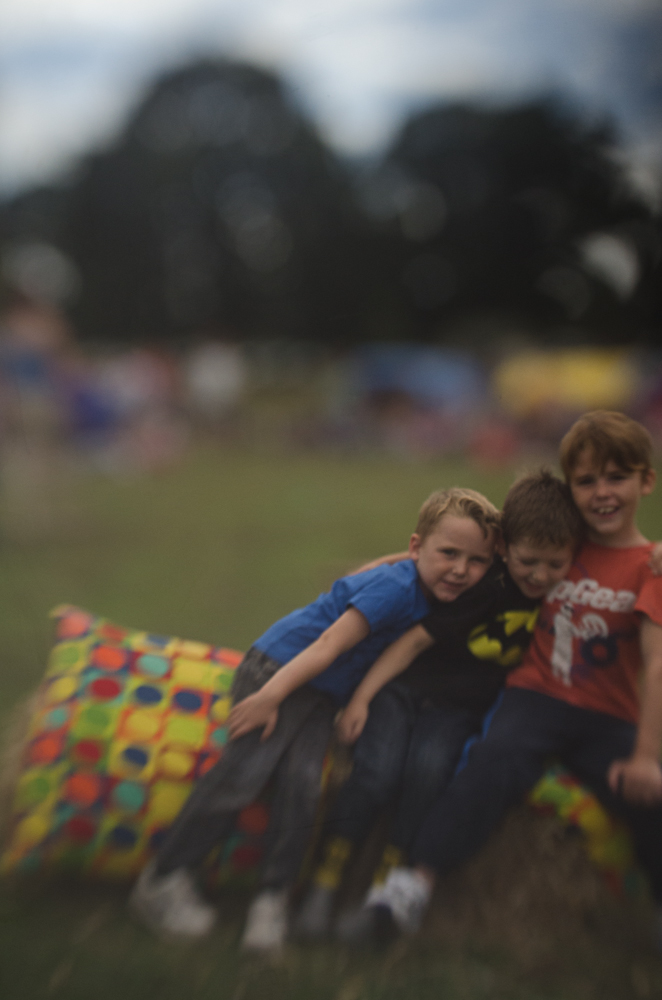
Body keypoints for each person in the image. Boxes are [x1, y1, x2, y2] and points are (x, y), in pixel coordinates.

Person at [129, 486, 499, 950]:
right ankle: (163, 880)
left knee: (304, 787)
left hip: (321, 696)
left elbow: (407, 564)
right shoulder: (397, 588)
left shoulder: (427, 584)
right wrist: (270, 695)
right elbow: (328, 645)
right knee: (244, 775)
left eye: (476, 560)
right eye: (449, 553)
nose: (461, 570)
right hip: (280, 672)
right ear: (416, 547)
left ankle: (273, 898)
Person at [360, 411, 662, 946]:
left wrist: (645, 756)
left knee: (649, 800)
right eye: (586, 481)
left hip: (608, 715)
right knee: (491, 761)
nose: (601, 493)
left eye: (616, 478)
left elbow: (657, 661)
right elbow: (471, 548)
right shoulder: (560, 539)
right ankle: (414, 883)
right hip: (535, 695)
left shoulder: (650, 567)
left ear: (646, 480)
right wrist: (377, 566)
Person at [295, 470, 581, 939]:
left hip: (458, 712)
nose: (540, 575)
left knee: (428, 774)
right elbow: (412, 639)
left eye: (554, 564)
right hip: (402, 692)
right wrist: (363, 697)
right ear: (506, 549)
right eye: (529, 561)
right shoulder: (486, 584)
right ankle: (324, 881)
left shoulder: (568, 590)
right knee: (376, 770)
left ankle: (385, 891)